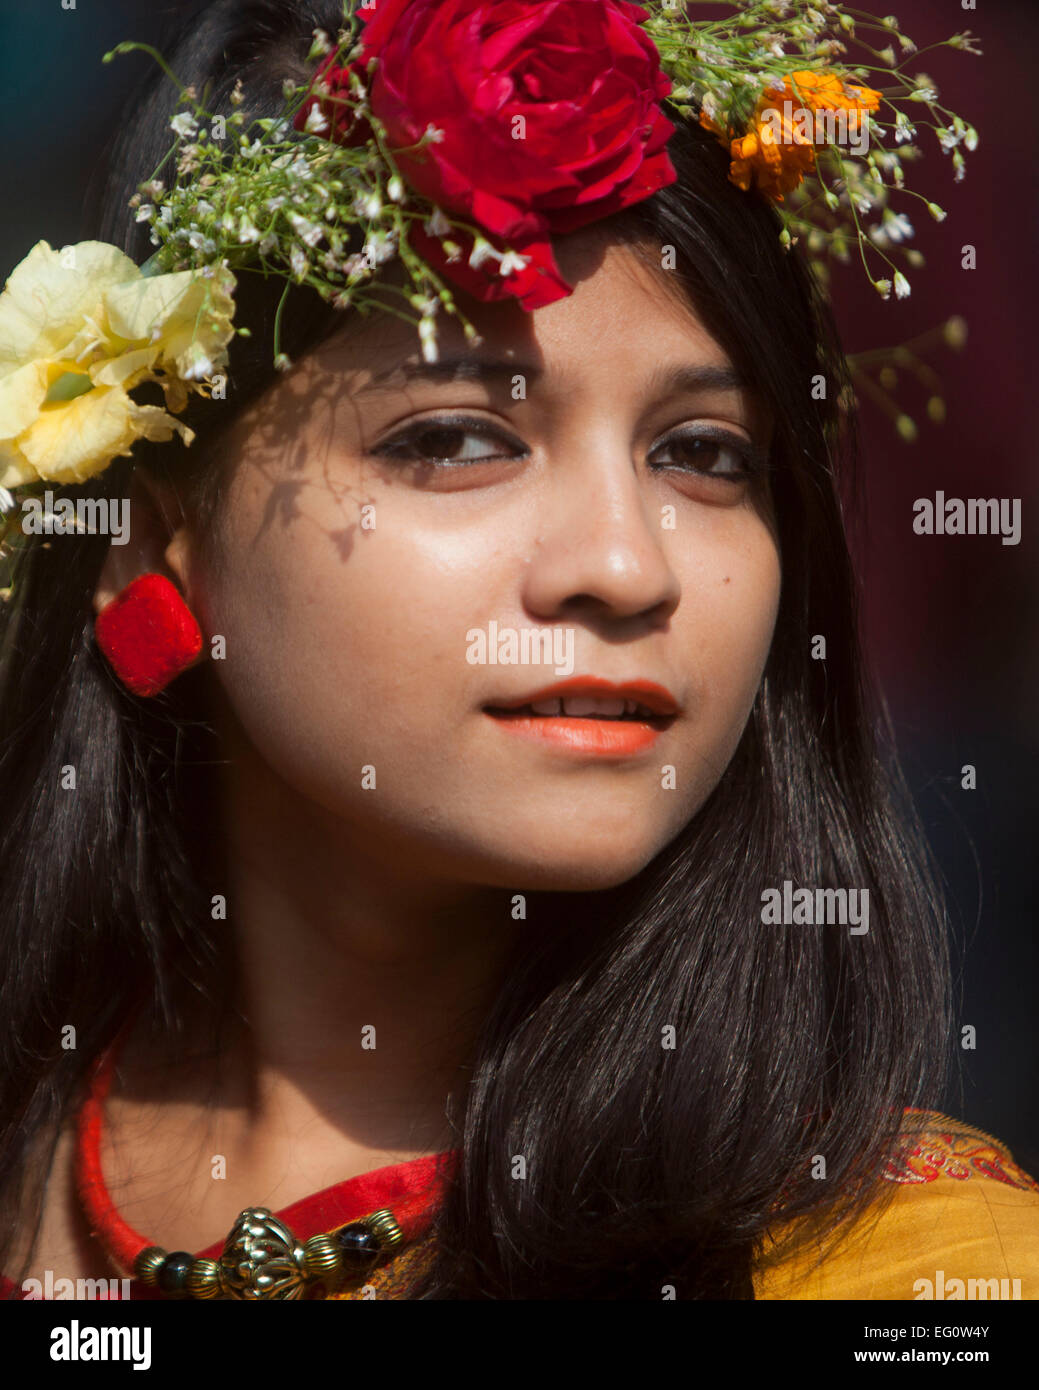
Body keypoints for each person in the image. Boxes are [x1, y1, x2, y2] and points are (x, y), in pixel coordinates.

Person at [0, 0, 1035, 1302]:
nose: (625, 565)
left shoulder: (913, 1273)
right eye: (454, 439)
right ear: (154, 539)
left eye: (704, 453)